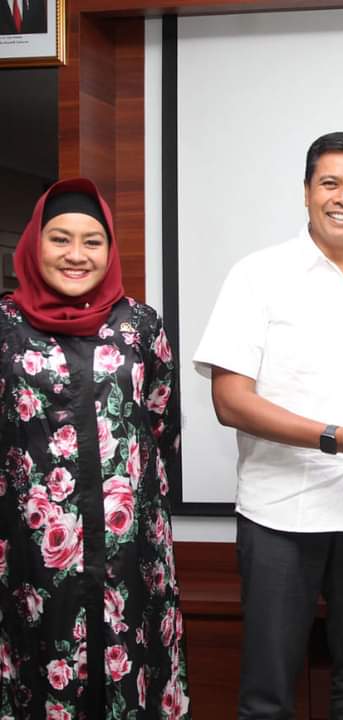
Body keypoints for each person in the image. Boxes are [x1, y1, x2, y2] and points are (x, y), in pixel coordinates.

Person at [193, 132, 343, 719]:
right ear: (306, 192)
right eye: (330, 183)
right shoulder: (258, 276)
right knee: (268, 695)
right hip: (282, 515)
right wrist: (334, 438)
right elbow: (230, 400)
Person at [0, 178, 189, 718]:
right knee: (41, 674)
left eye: (92, 241)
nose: (76, 254)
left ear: (110, 249)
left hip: (130, 550)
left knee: (130, 673)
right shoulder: (5, 326)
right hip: (31, 554)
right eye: (60, 239)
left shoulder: (139, 325)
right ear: (34, 244)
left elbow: (161, 422)